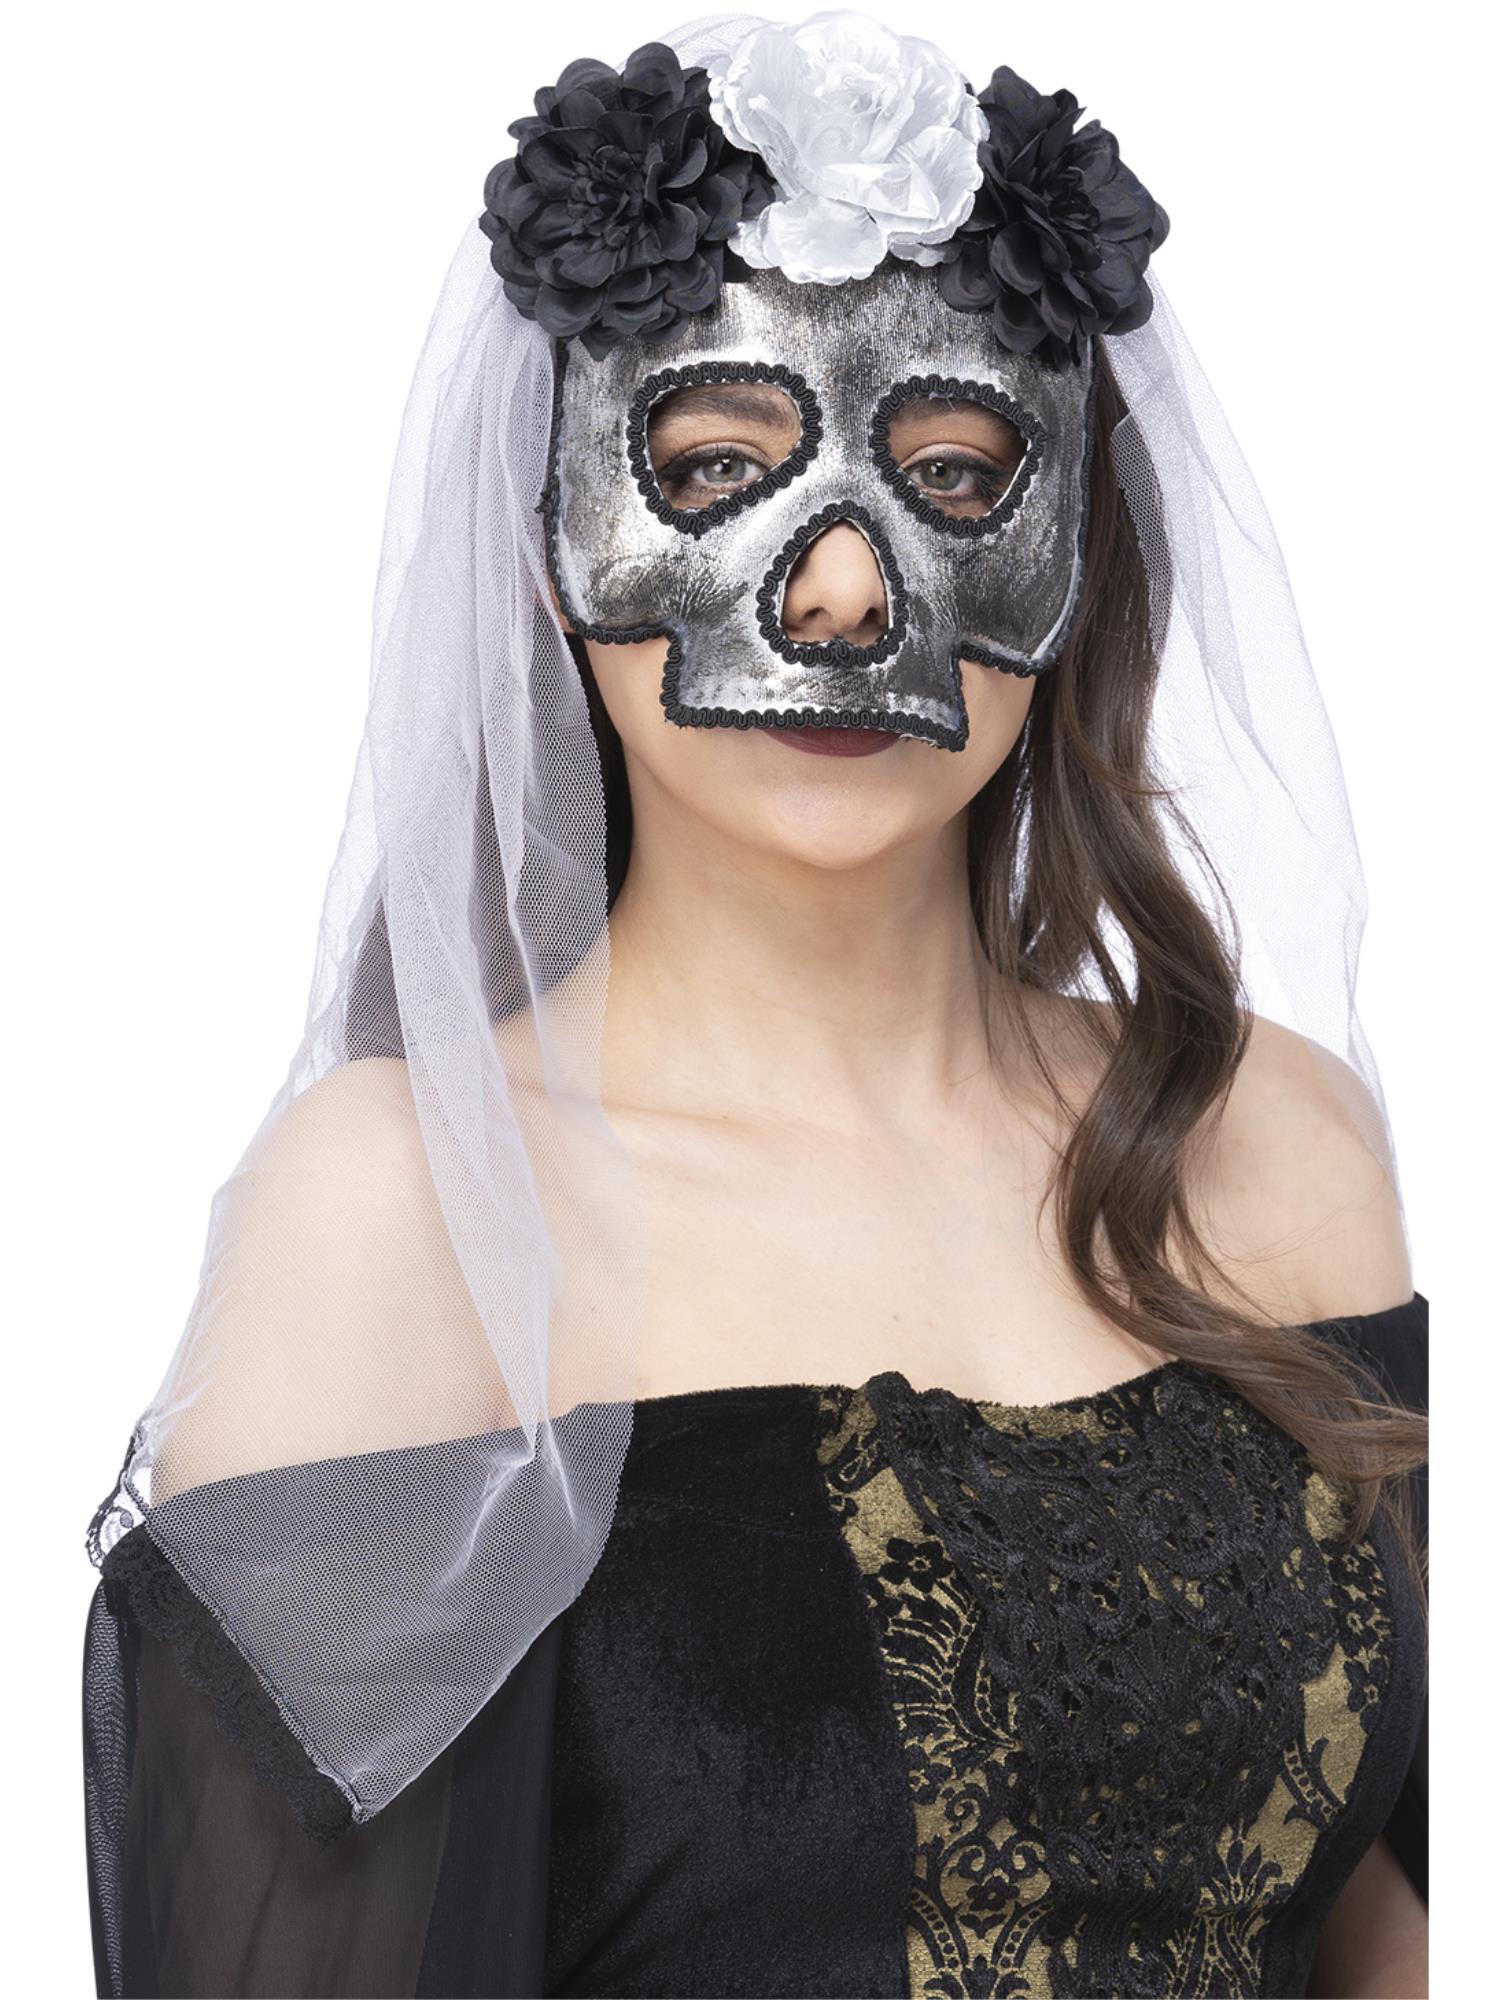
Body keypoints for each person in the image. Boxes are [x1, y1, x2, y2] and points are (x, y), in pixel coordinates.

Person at [81, 11, 1429, 1997]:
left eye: (956, 472)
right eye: (715, 463)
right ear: (553, 543)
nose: (843, 591)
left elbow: (1389, 1936)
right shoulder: (408, 1212)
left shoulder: (1274, 1151)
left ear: (1075, 541)